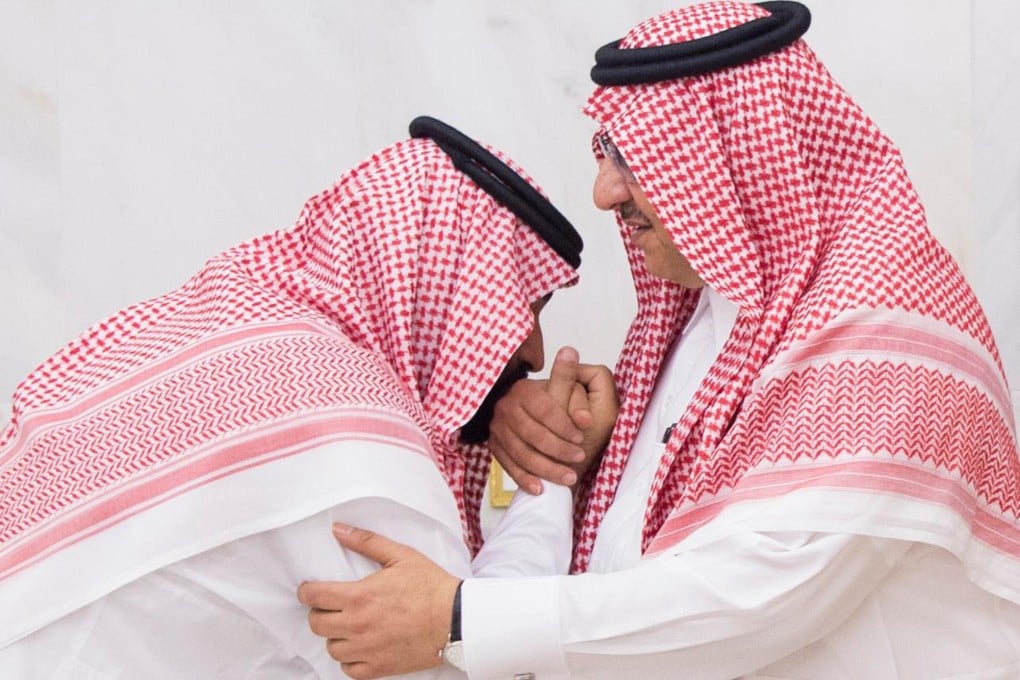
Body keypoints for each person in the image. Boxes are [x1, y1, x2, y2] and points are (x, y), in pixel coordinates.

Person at [296, 3, 1020, 679]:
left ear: (734, 151)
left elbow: (752, 595)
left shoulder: (887, 326)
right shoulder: (707, 321)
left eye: (632, 156)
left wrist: (458, 617)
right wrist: (569, 450)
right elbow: (626, 567)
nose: (605, 192)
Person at [0, 116, 593, 678]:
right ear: (452, 290)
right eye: (527, 307)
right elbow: (475, 657)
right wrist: (554, 472)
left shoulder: (221, 335)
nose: (538, 352)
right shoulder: (350, 439)